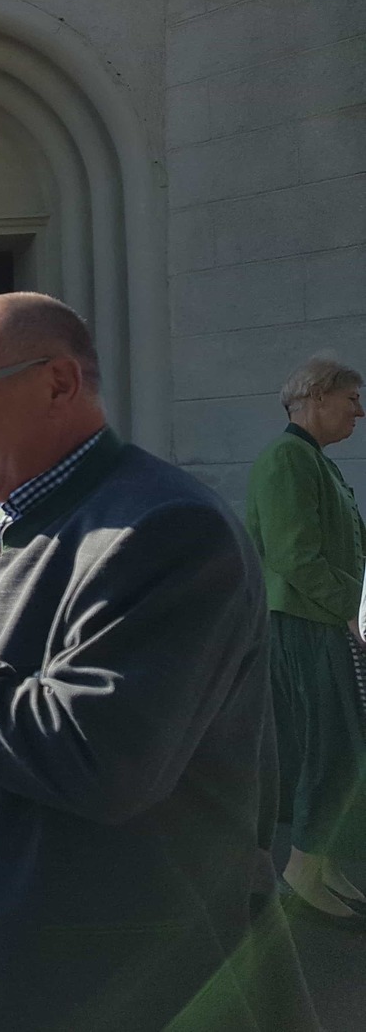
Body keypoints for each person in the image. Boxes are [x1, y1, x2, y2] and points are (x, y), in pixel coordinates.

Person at [0, 292, 315, 1031]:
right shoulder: (21, 514)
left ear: (58, 382)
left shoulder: (166, 529)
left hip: (107, 985)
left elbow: (99, 754)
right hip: (13, 967)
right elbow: (15, 709)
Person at [245, 355, 366, 928]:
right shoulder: (288, 459)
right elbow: (295, 557)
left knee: (339, 744)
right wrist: (351, 611)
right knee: (327, 744)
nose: (359, 413)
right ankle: (301, 869)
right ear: (317, 396)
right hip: (304, 623)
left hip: (318, 621)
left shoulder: (311, 460)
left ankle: (323, 863)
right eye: (352, 399)